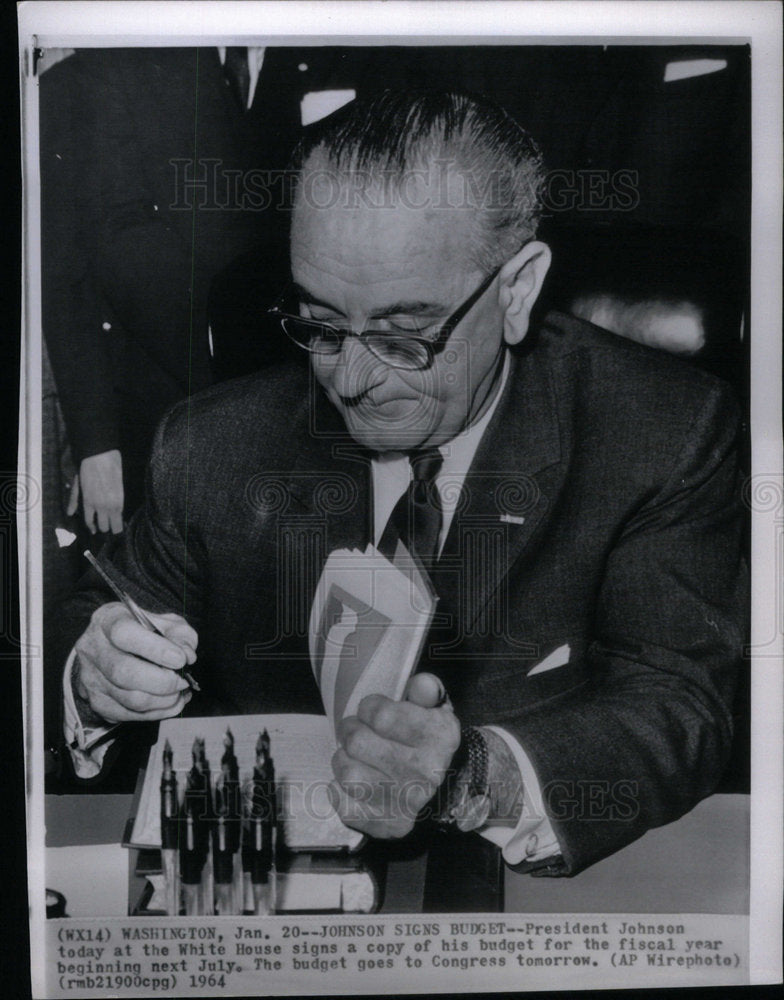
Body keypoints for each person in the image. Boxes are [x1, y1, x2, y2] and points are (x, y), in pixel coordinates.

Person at [59, 90, 746, 876]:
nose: (351, 382)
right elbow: (102, 617)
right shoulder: (210, 442)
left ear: (517, 292)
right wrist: (94, 680)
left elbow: (678, 704)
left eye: (403, 335)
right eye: (319, 324)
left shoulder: (663, 430)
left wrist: (473, 781)